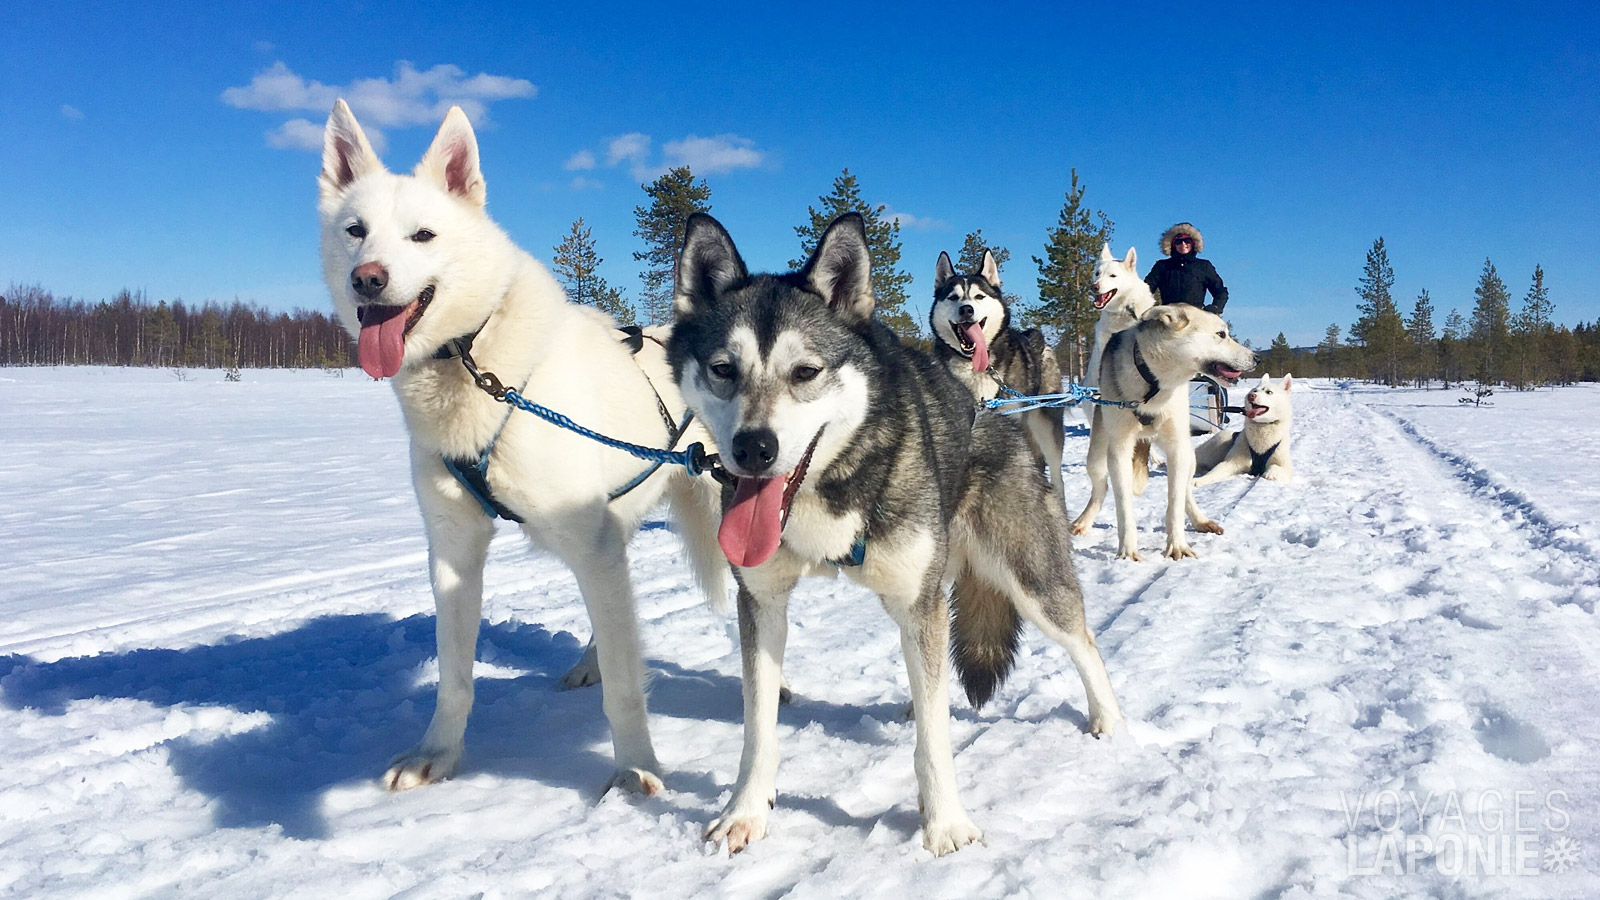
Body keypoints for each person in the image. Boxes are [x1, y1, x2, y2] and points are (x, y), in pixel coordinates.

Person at [1144, 222, 1228, 315]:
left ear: (1194, 243)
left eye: (1187, 240)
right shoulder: (1162, 266)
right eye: (1178, 242)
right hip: (1168, 316)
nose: (1183, 244)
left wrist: (1215, 307)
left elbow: (1220, 291)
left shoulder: (1204, 266)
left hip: (1196, 317)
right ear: (1172, 245)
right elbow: (1146, 289)